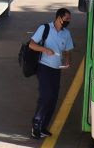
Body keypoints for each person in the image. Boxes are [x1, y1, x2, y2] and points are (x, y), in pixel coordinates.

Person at [28, 8, 74, 139]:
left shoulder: (66, 33)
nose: (68, 21)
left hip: (56, 69)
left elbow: (68, 50)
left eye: (69, 20)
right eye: (66, 19)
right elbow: (32, 44)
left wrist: (67, 61)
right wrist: (45, 49)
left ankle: (43, 127)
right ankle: (36, 126)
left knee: (53, 99)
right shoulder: (45, 28)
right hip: (44, 68)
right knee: (46, 96)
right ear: (59, 18)